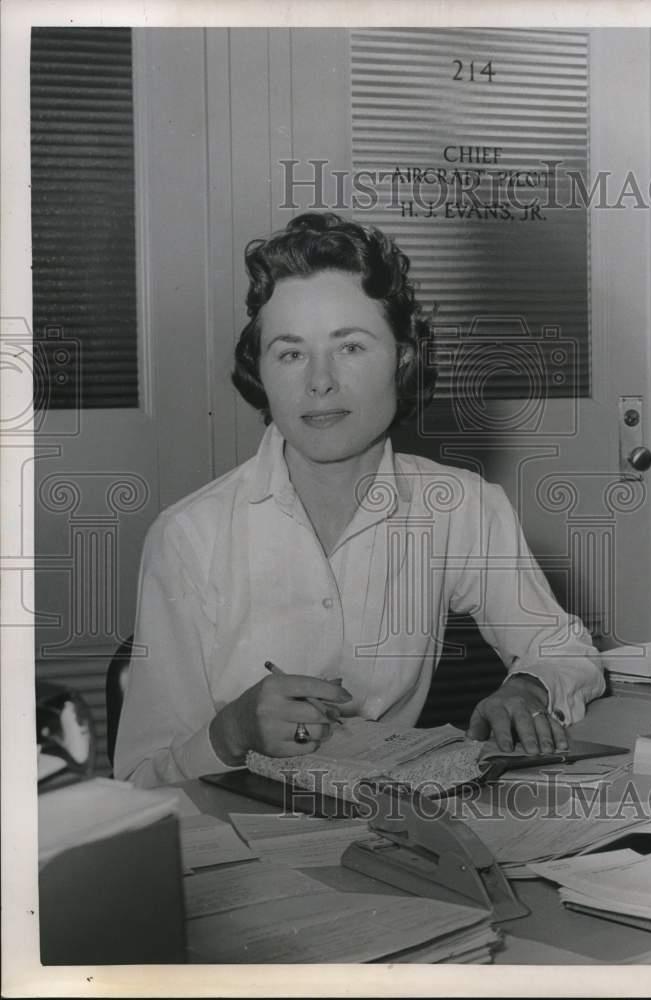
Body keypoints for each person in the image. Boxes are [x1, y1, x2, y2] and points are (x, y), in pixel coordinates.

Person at [114, 212, 605, 789]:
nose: (319, 382)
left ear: (403, 358)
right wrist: (231, 733)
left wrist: (530, 688)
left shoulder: (461, 507)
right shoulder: (189, 536)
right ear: (260, 372)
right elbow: (139, 782)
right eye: (290, 353)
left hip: (386, 831)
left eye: (349, 346)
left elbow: (564, 649)